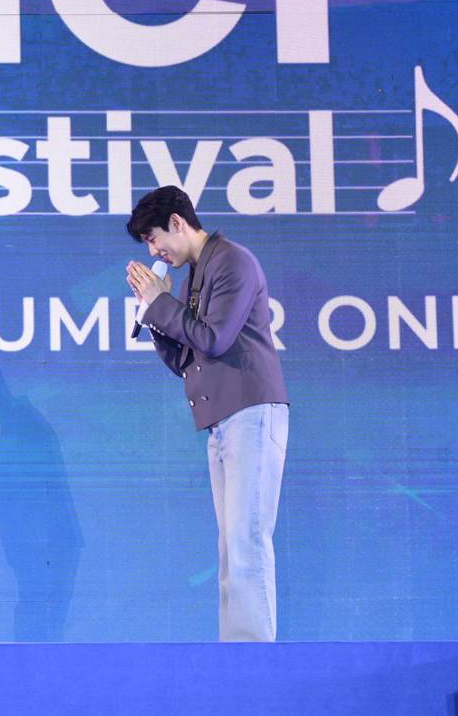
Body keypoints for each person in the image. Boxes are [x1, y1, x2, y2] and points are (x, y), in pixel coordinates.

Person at [125, 185, 289, 642]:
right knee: (230, 546)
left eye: (154, 238)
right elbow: (187, 359)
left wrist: (162, 304)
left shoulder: (232, 262)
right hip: (222, 421)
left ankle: (252, 656)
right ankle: (234, 654)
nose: (154, 251)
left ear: (177, 223)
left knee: (246, 539)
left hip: (251, 411)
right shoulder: (197, 274)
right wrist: (153, 313)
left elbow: (214, 339)